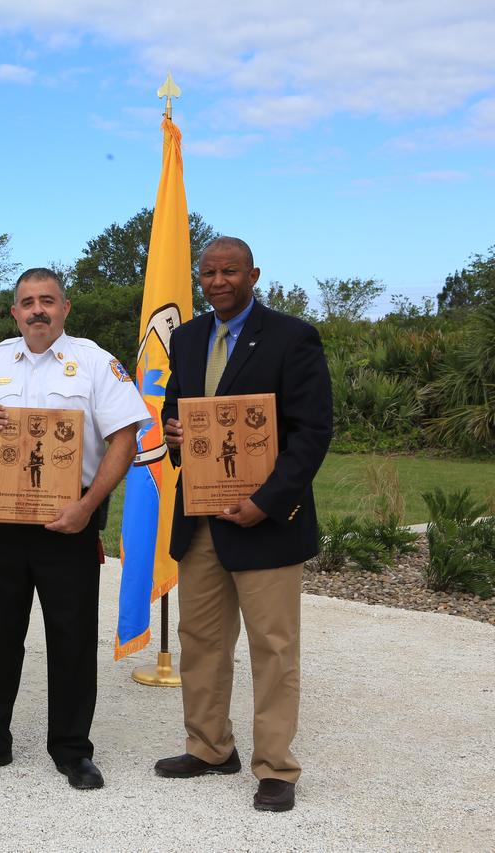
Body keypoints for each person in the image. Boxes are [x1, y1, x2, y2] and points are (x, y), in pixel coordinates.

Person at [0, 268, 150, 789]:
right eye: (26, 302)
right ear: (14, 312)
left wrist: (88, 508)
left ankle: (72, 750)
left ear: (65, 307)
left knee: (72, 638)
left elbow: (125, 439)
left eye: (47, 301)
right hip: (3, 518)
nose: (37, 310)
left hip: (70, 520)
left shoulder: (94, 363)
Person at [156, 237, 332, 812]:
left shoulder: (292, 336)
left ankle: (276, 766)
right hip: (201, 518)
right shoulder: (186, 338)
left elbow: (312, 431)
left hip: (267, 522)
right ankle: (209, 747)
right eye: (207, 272)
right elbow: (175, 406)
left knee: (272, 646)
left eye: (229, 271)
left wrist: (268, 500)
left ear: (253, 273)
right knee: (201, 640)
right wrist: (176, 430)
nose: (217, 281)